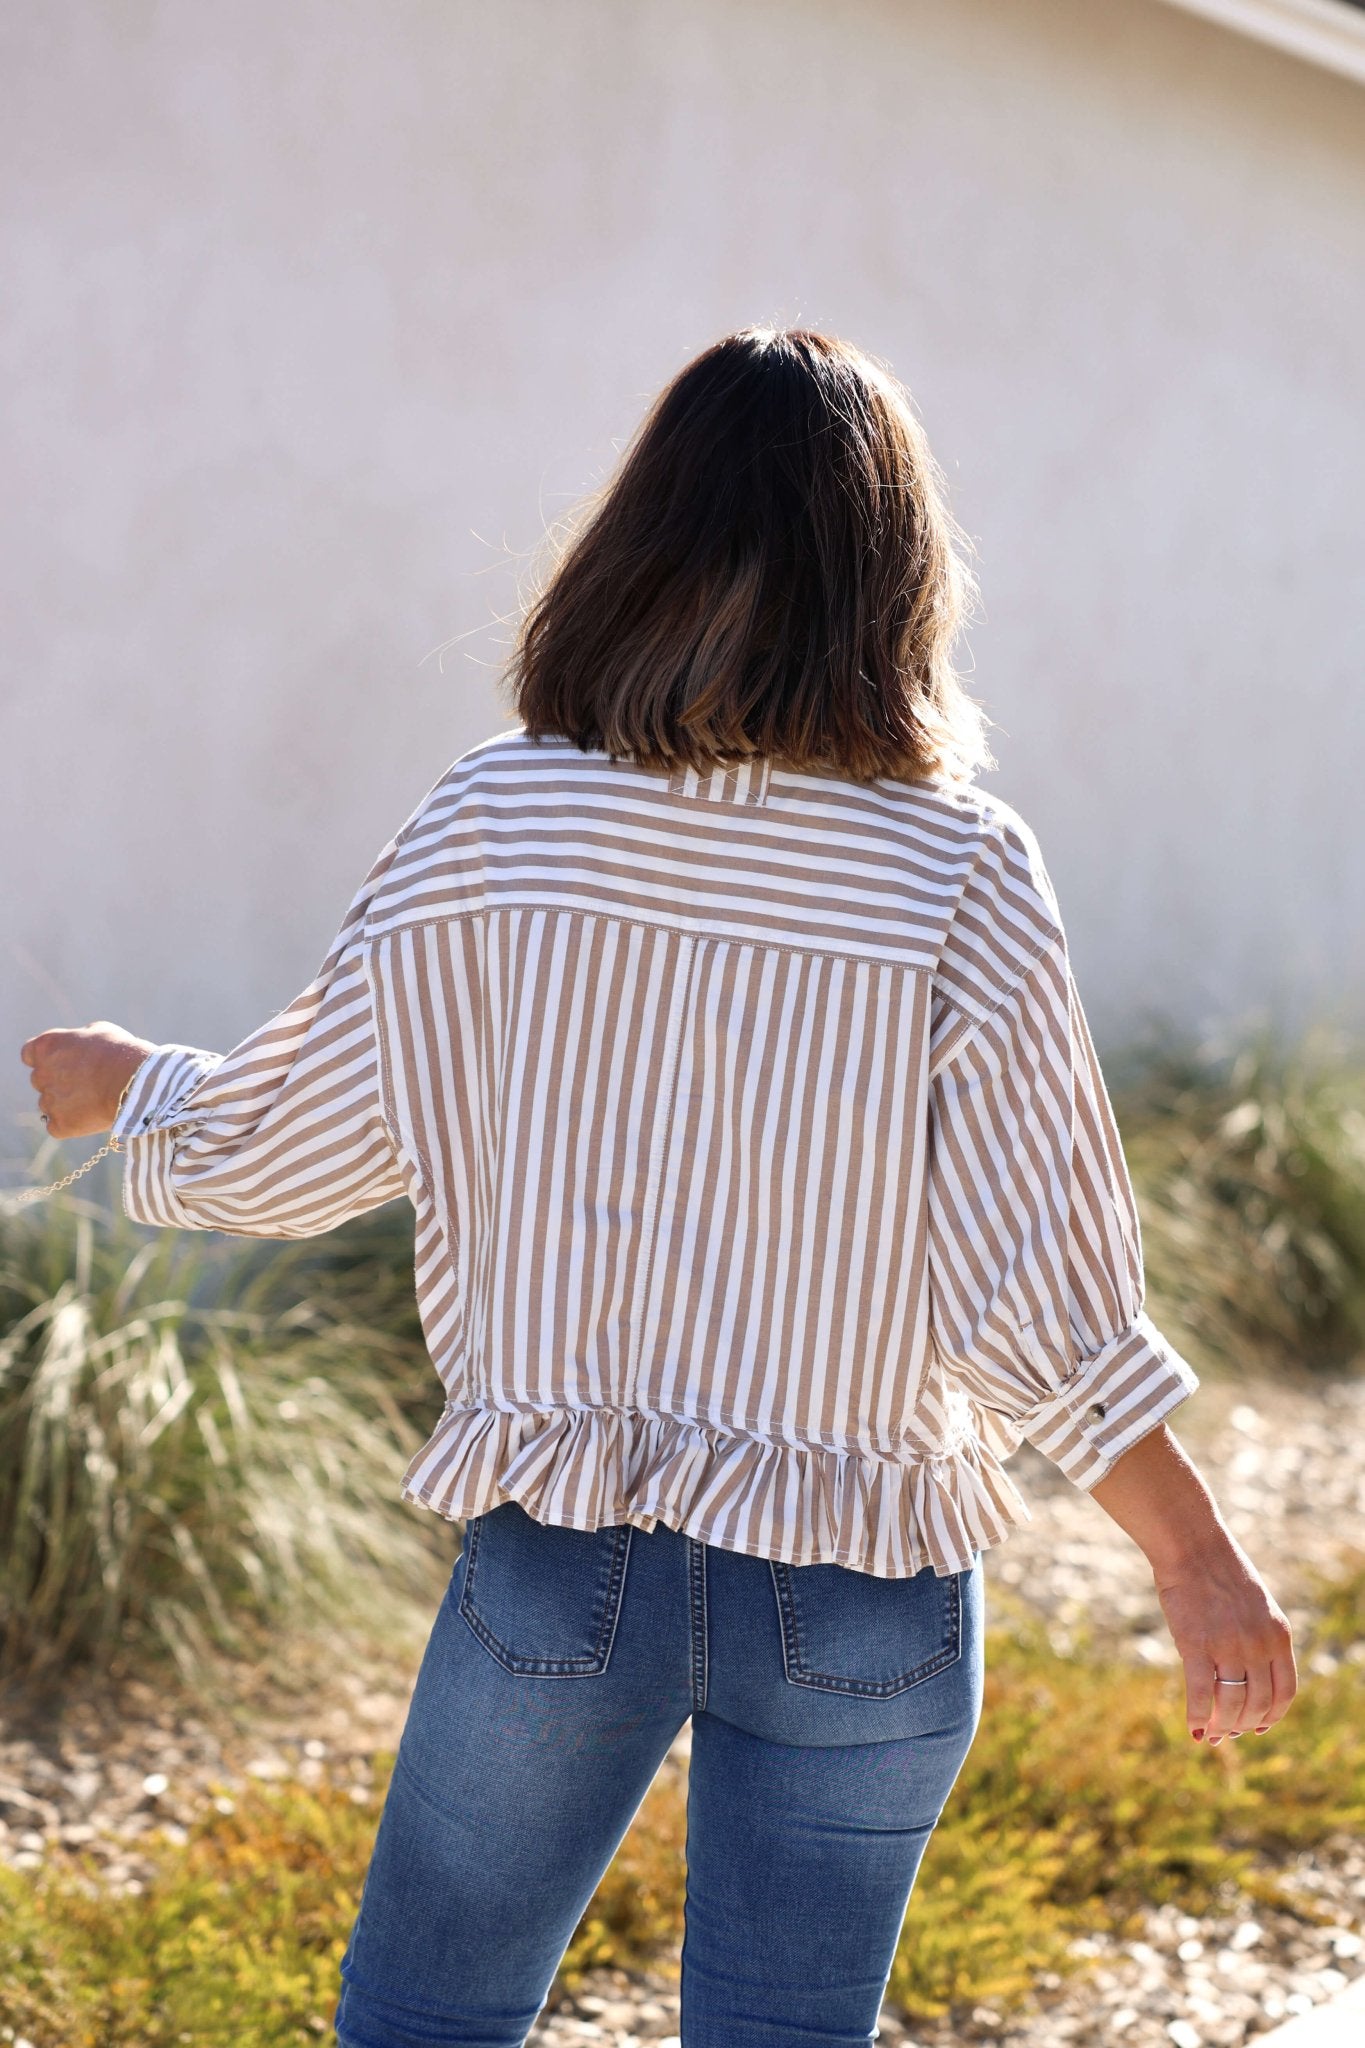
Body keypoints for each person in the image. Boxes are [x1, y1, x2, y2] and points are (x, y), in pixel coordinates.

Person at [20, 327, 1296, 2048]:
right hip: (863, 1578)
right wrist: (1195, 1557)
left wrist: (132, 1095)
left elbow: (297, 1143)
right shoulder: (958, 868)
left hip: (563, 1558)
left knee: (424, 2022)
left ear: (639, 539)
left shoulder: (496, 820)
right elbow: (1037, 1294)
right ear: (892, 575)